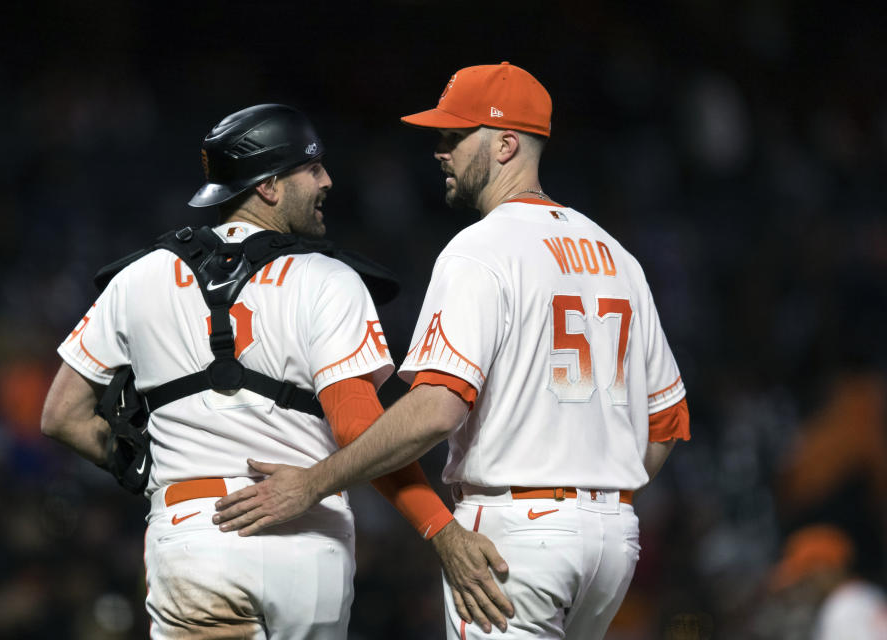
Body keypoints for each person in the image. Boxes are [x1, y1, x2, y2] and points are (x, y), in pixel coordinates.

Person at [213, 63, 692, 639]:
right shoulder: (618, 258)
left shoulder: (481, 249)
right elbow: (664, 425)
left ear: (508, 144)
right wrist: (595, 498)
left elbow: (437, 411)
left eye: (455, 137)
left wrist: (314, 482)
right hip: (613, 540)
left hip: (519, 533)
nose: (440, 152)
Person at [40, 103, 507, 639]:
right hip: (307, 538)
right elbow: (356, 428)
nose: (327, 180)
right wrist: (441, 531)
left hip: (195, 532)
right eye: (311, 168)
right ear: (267, 186)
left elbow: (61, 416)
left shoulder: (138, 277)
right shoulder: (327, 278)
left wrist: (148, 468)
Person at [767, 524, 887, 640]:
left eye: (807, 577)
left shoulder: (845, 609)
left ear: (823, 568)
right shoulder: (867, 593)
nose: (805, 587)